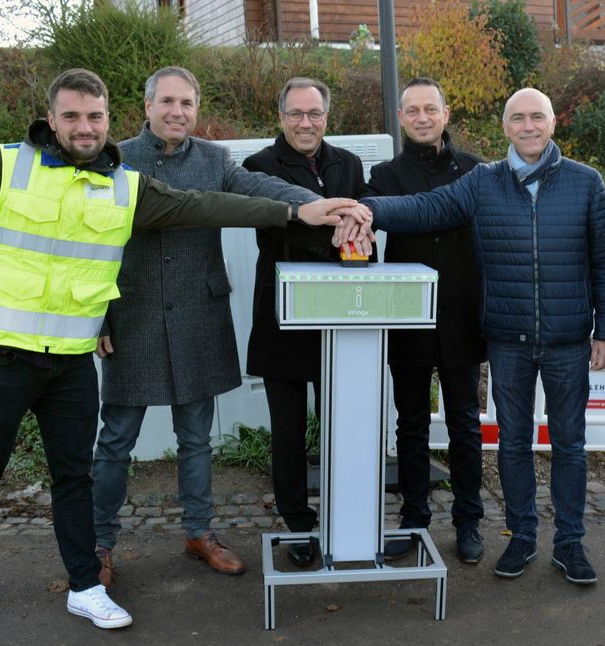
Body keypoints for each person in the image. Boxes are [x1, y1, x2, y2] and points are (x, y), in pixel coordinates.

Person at [0, 68, 363, 631]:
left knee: (155, 450)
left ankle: (144, 555)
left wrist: (304, 207)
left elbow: (224, 200)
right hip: (64, 337)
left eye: (93, 117)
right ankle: (17, 568)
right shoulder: (54, 163)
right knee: (58, 456)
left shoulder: (161, 171)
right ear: (143, 105)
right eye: (73, 116)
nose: (85, 126)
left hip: (130, 340)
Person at [350, 88, 605, 584]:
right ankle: (520, 539)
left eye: (536, 116)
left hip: (567, 337)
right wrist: (366, 211)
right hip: (508, 337)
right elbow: (426, 208)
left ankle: (570, 543)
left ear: (553, 122)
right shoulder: (483, 181)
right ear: (505, 127)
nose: (528, 126)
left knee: (570, 444)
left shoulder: (585, 182)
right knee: (513, 443)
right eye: (517, 118)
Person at [91, 67, 327, 586]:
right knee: (116, 442)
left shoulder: (215, 160)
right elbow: (94, 246)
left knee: (197, 440)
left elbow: (256, 187)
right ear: (147, 106)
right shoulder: (118, 160)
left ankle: (199, 532)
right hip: (134, 317)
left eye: (187, 104)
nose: (178, 112)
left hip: (199, 316)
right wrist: (100, 314)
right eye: (168, 102)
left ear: (197, 110)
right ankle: (99, 543)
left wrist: (310, 204)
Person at [242, 77, 367, 566]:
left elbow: (363, 221)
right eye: (296, 113)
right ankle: (298, 525)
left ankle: (342, 517)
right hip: (283, 320)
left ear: (326, 117)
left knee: (343, 428)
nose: (305, 123)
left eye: (314, 113)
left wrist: (349, 229)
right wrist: (337, 232)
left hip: (341, 319)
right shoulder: (259, 167)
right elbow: (277, 226)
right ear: (281, 117)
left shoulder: (349, 165)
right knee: (288, 431)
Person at [364, 77, 486, 564]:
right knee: (410, 424)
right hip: (407, 315)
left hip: (461, 313)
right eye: (411, 110)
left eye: (429, 109)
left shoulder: (477, 171)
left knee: (465, 424)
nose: (421, 117)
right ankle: (413, 518)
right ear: (400, 117)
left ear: (446, 113)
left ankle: (469, 520)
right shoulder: (383, 177)